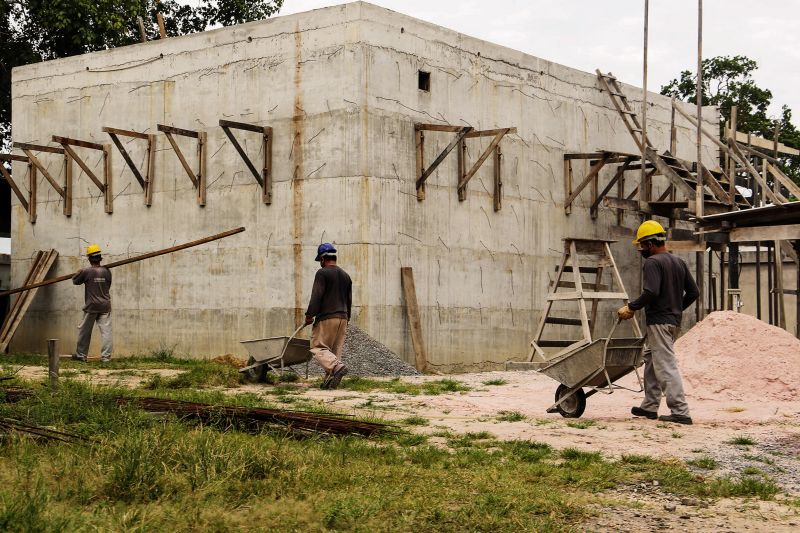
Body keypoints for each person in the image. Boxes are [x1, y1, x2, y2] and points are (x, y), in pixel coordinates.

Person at [617, 220, 699, 425]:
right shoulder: (678, 262)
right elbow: (694, 292)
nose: (641, 250)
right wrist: (676, 308)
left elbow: (651, 291)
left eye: (642, 246)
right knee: (651, 360)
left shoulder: (653, 262)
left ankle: (680, 411)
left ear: (650, 244)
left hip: (659, 322)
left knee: (665, 365)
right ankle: (650, 407)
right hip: (672, 322)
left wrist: (632, 307)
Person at [305, 242, 352, 389]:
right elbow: (349, 300)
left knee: (317, 347)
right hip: (343, 317)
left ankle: (336, 368)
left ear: (322, 259)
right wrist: (347, 318)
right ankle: (329, 382)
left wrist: (309, 315)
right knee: (334, 351)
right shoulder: (346, 275)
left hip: (327, 317)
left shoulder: (322, 273)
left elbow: (316, 295)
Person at [72, 244, 113, 363]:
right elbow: (108, 285)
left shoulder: (86, 271)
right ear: (100, 258)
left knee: (84, 331)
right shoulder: (107, 271)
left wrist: (78, 272)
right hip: (105, 305)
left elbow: (75, 281)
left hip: (91, 306)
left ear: (89, 258)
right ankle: (106, 358)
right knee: (106, 333)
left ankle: (81, 356)